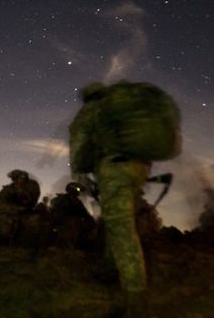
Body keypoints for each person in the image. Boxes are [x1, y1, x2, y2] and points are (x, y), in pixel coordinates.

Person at [69, 81, 181, 315]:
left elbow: (78, 140)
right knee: (119, 221)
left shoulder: (93, 109)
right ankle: (112, 268)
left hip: (114, 169)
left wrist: (79, 171)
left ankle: (135, 299)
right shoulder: (124, 106)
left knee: (121, 228)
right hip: (140, 169)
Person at [0, 169, 41, 244]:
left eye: (22, 178)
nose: (19, 181)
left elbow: (31, 202)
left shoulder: (32, 186)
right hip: (8, 214)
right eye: (16, 179)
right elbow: (0, 205)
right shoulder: (8, 189)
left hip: (26, 213)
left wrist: (22, 195)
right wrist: (13, 209)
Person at [50, 182, 96, 249]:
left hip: (72, 225)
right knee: (67, 245)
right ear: (72, 189)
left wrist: (90, 220)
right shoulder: (65, 199)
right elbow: (55, 212)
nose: (78, 191)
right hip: (67, 225)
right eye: (77, 189)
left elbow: (84, 212)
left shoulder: (75, 200)